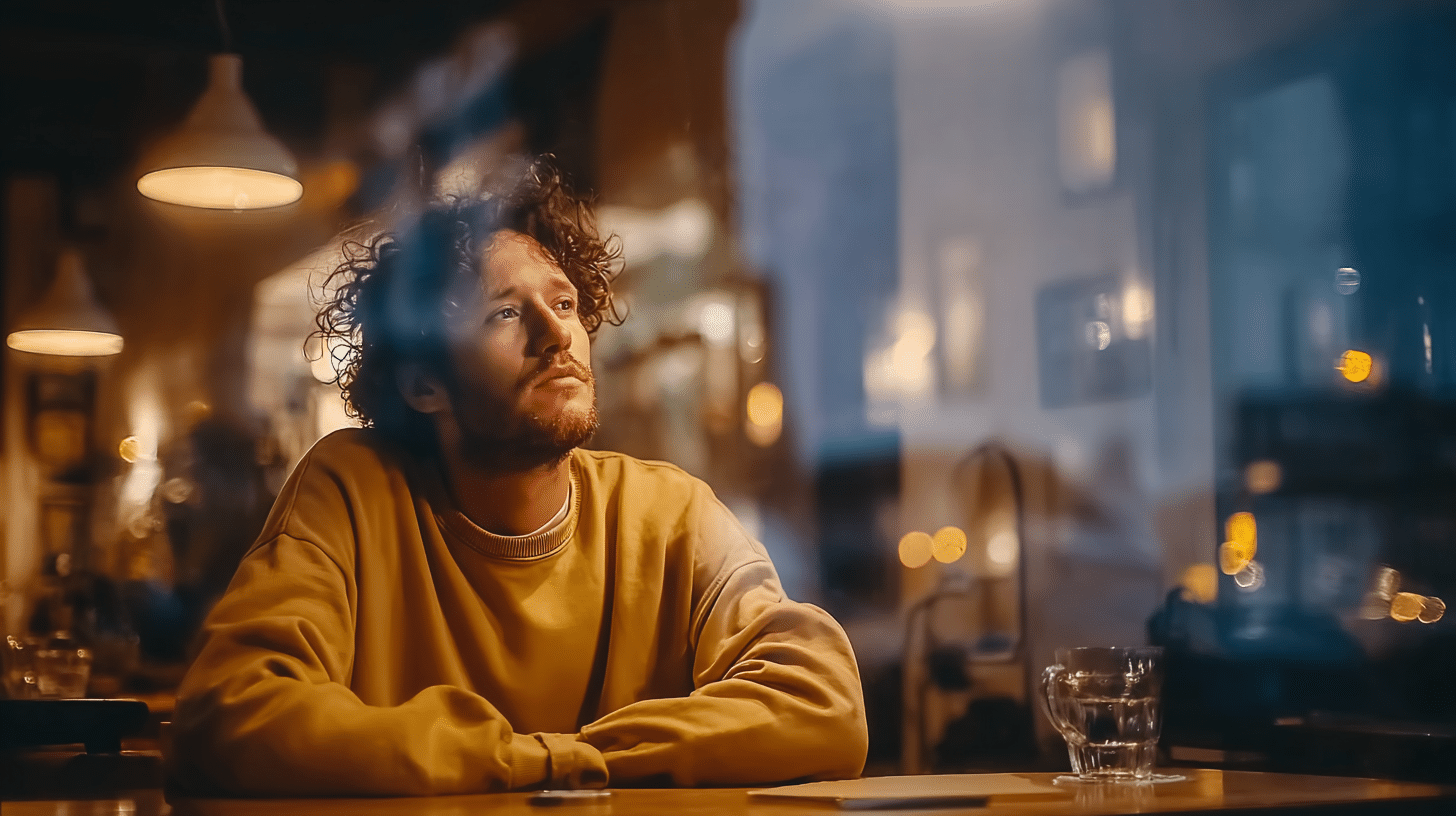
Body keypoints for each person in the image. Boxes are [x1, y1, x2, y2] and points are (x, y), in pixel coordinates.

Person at [165, 157, 868, 796]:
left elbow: (823, 705)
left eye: (564, 304)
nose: (556, 333)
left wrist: (563, 759)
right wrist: (547, 765)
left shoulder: (669, 512)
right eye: (504, 312)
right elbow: (229, 713)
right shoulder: (354, 488)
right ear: (422, 384)